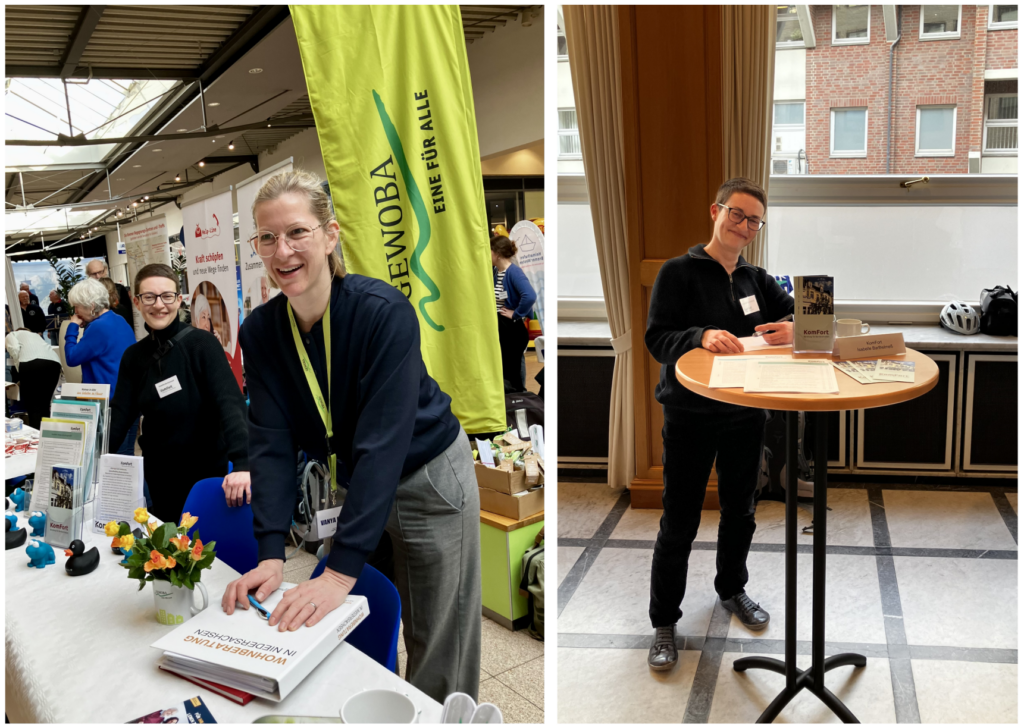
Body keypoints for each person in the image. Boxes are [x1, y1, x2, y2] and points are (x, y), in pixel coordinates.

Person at [221, 170, 481, 704]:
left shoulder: (381, 313)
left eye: (297, 232)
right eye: (267, 238)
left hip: (428, 477)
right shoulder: (262, 331)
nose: (282, 250)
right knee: (349, 627)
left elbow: (384, 444)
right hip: (358, 483)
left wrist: (339, 572)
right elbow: (269, 442)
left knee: (438, 642)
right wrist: (271, 552)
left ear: (330, 235)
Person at [644, 177, 795, 671]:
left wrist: (795, 326)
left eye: (755, 219)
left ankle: (733, 589)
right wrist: (700, 335)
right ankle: (664, 621)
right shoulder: (677, 272)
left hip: (745, 415)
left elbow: (806, 316)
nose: (745, 225)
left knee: (741, 511)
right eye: (738, 214)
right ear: (716, 211)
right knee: (680, 520)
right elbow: (658, 339)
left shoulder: (756, 279)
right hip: (689, 415)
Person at [108, 264, 250, 524]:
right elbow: (120, 415)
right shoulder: (134, 357)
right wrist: (91, 458)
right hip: (160, 475)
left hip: (204, 474)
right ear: (137, 302)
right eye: (149, 297)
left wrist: (242, 464)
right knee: (168, 551)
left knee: (204, 550)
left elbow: (230, 403)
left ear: (179, 299)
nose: (159, 305)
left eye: (167, 296)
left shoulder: (202, 344)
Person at [65, 277, 138, 455]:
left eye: (77, 307)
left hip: (110, 404)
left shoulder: (98, 327)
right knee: (127, 461)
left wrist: (72, 327)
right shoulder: (119, 319)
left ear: (91, 305)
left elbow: (72, 357)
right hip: (130, 399)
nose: (75, 312)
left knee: (112, 462)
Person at [490, 235, 536, 392]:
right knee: (510, 367)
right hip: (503, 328)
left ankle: (519, 402)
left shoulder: (513, 272)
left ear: (497, 253)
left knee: (513, 373)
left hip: (512, 329)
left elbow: (530, 295)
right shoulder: (496, 272)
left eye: (488, 251)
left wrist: (516, 314)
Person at [5, 328, 61, 429]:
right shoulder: (36, 336)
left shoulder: (12, 334)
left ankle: (35, 440)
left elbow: (13, 348)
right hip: (54, 364)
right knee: (45, 405)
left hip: (31, 363)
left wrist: (19, 368)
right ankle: (46, 436)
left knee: (33, 406)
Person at [86, 259, 133, 331]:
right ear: (88, 274)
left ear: (105, 270)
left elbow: (129, 314)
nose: (98, 276)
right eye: (94, 274)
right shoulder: (86, 292)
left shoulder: (119, 289)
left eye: (100, 272)